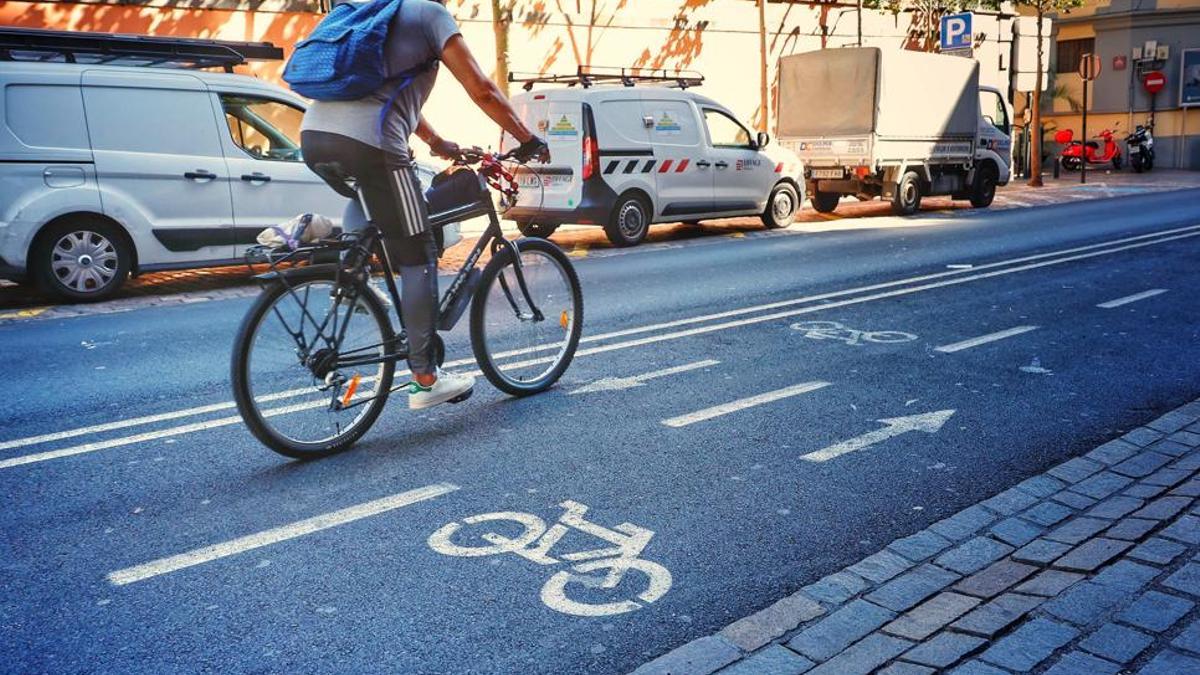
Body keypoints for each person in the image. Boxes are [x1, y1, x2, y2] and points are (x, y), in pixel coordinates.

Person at [300, 0, 546, 410]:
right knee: (419, 253)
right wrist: (526, 138)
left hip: (314, 136)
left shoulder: (371, 14)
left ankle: (344, 272)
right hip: (373, 146)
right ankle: (425, 377)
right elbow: (481, 89)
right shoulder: (430, 15)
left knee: (372, 201)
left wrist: (437, 144)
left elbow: (389, 95)